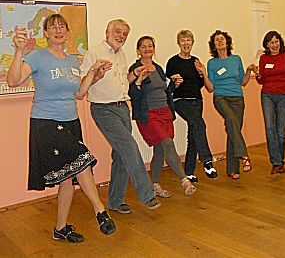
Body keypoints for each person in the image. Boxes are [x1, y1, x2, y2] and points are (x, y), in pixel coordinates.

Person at [7, 14, 116, 243]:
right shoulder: (38, 56)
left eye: (62, 26)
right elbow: (14, 81)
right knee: (82, 158)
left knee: (67, 178)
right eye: (52, 27)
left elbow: (79, 93)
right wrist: (18, 51)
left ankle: (61, 228)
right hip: (46, 123)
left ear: (67, 32)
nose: (58, 30)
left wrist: (95, 74)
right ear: (45, 33)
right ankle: (100, 210)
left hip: (70, 122)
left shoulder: (71, 61)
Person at [81, 19, 161, 214]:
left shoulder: (122, 54)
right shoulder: (95, 53)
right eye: (118, 32)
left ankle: (115, 201)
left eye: (125, 33)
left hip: (123, 108)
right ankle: (147, 194)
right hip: (103, 109)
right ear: (107, 31)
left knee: (120, 155)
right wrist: (95, 72)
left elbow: (123, 81)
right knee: (130, 147)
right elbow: (82, 84)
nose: (121, 36)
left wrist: (135, 74)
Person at [128, 36, 196, 196]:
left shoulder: (158, 68)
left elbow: (165, 90)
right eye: (143, 46)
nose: (147, 49)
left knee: (160, 150)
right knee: (167, 143)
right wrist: (138, 80)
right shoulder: (135, 68)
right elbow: (133, 94)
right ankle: (184, 180)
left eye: (150, 46)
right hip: (148, 114)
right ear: (138, 50)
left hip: (164, 112)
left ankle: (155, 185)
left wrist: (174, 83)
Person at [166, 30, 217, 183]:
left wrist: (203, 72)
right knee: (199, 123)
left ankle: (188, 172)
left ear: (192, 43)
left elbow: (208, 87)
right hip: (180, 101)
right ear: (178, 43)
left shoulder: (196, 61)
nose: (186, 43)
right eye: (183, 41)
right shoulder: (172, 62)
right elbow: (167, 87)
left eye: (188, 40)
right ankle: (207, 160)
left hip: (197, 100)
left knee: (194, 133)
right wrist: (174, 82)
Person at [206, 30, 256, 179]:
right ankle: (244, 155)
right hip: (220, 97)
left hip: (237, 98)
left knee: (233, 129)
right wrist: (203, 73)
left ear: (227, 42)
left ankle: (232, 169)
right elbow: (211, 87)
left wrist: (248, 71)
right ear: (214, 45)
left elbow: (243, 81)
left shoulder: (236, 59)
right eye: (217, 40)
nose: (220, 41)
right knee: (232, 121)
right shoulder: (212, 63)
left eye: (222, 39)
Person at [254, 31, 285, 175]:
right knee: (269, 127)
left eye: (276, 41)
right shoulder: (263, 58)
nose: (274, 45)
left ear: (280, 41)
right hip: (267, 94)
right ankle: (276, 162)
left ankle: (280, 161)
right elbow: (261, 80)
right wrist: (258, 74)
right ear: (266, 45)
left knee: (280, 130)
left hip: (284, 94)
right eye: (271, 42)